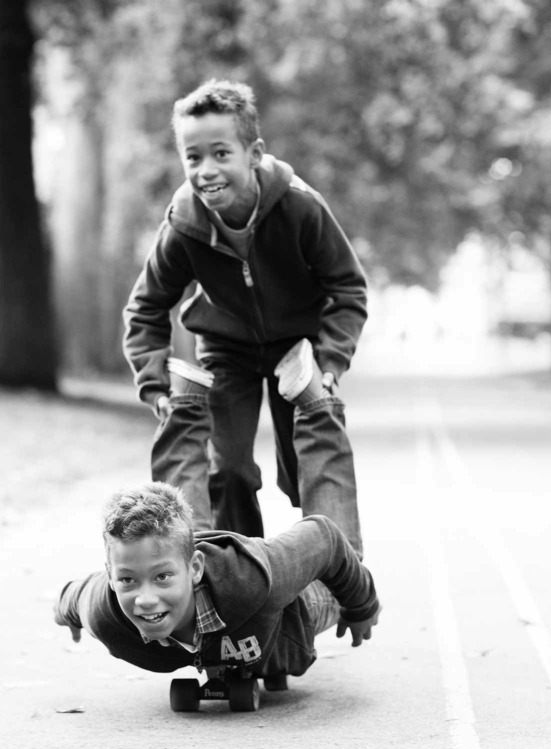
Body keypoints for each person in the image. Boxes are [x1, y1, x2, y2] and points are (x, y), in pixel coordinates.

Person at [123, 78, 368, 554]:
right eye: (193, 157)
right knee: (227, 470)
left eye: (220, 154)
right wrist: (154, 385)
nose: (206, 170)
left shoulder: (299, 207)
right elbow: (147, 305)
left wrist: (332, 361)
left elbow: (347, 287)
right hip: (225, 349)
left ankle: (325, 569)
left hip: (297, 349)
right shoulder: (184, 225)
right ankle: (245, 576)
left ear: (254, 153)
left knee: (302, 468)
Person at [53, 379, 380, 687]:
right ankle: (185, 403)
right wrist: (63, 611)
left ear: (195, 568)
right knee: (172, 535)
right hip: (204, 588)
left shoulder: (252, 580)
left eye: (162, 578)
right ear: (110, 576)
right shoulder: (104, 615)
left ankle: (316, 405)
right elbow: (75, 597)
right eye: (127, 580)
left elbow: (324, 537)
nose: (146, 599)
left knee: (349, 567)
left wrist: (361, 607)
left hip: (291, 608)